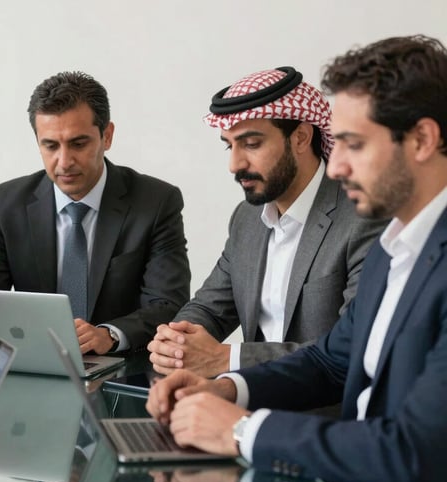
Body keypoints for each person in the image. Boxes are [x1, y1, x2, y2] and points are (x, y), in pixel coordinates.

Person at [146, 35, 447, 482]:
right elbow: (333, 361)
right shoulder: (396, 244)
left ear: (423, 139)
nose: (337, 165)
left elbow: (414, 455)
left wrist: (244, 430)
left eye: (353, 144)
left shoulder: (378, 230)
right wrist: (227, 390)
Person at [148, 66, 386, 377]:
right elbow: (210, 306)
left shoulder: (362, 218)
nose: (235, 164)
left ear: (301, 137)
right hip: (245, 402)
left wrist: (227, 359)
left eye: (251, 143)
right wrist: (177, 341)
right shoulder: (246, 218)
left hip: (326, 416)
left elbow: (352, 348)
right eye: (228, 145)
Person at [0, 71, 190, 354]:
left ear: (107, 136)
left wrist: (110, 335)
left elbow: (169, 305)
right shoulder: (7, 203)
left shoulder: (156, 202)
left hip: (124, 377)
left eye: (78, 144)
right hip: (36, 368)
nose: (64, 161)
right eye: (50, 146)